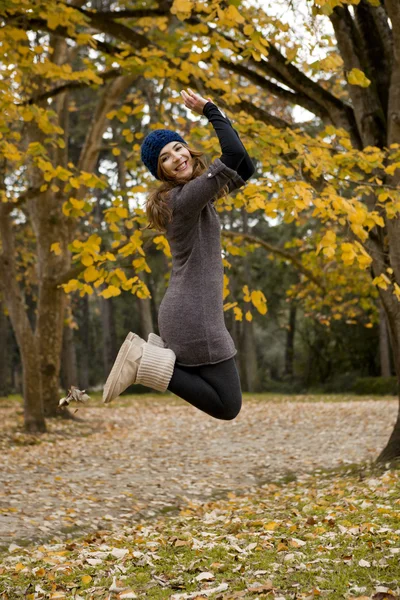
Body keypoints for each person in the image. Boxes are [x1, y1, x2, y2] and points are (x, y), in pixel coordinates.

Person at [103, 88, 255, 420]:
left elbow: (245, 164)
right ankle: (144, 361)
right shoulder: (183, 200)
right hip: (194, 316)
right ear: (162, 173)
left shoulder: (195, 195)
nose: (177, 157)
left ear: (186, 148)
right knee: (228, 405)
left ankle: (147, 361)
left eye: (177, 147)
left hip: (191, 313)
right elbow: (230, 155)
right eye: (166, 159)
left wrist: (218, 117)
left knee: (227, 403)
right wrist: (210, 109)